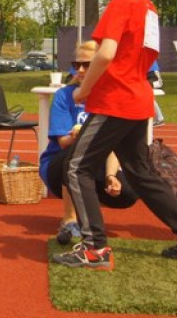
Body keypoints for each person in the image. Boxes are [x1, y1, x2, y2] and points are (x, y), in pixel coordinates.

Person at [52, 0, 177, 270]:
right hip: (138, 101)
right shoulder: (149, 9)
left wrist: (83, 90)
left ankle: (95, 248)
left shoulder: (122, 4)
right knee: (141, 174)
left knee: (75, 166)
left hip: (115, 101)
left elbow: (106, 53)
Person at [39, 40, 139, 245]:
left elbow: (111, 145)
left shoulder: (109, 98)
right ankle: (69, 220)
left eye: (87, 65)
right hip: (59, 162)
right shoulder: (65, 96)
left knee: (128, 193)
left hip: (95, 161)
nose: (81, 70)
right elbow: (64, 142)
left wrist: (111, 175)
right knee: (75, 155)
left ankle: (88, 206)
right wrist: (79, 135)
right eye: (77, 65)